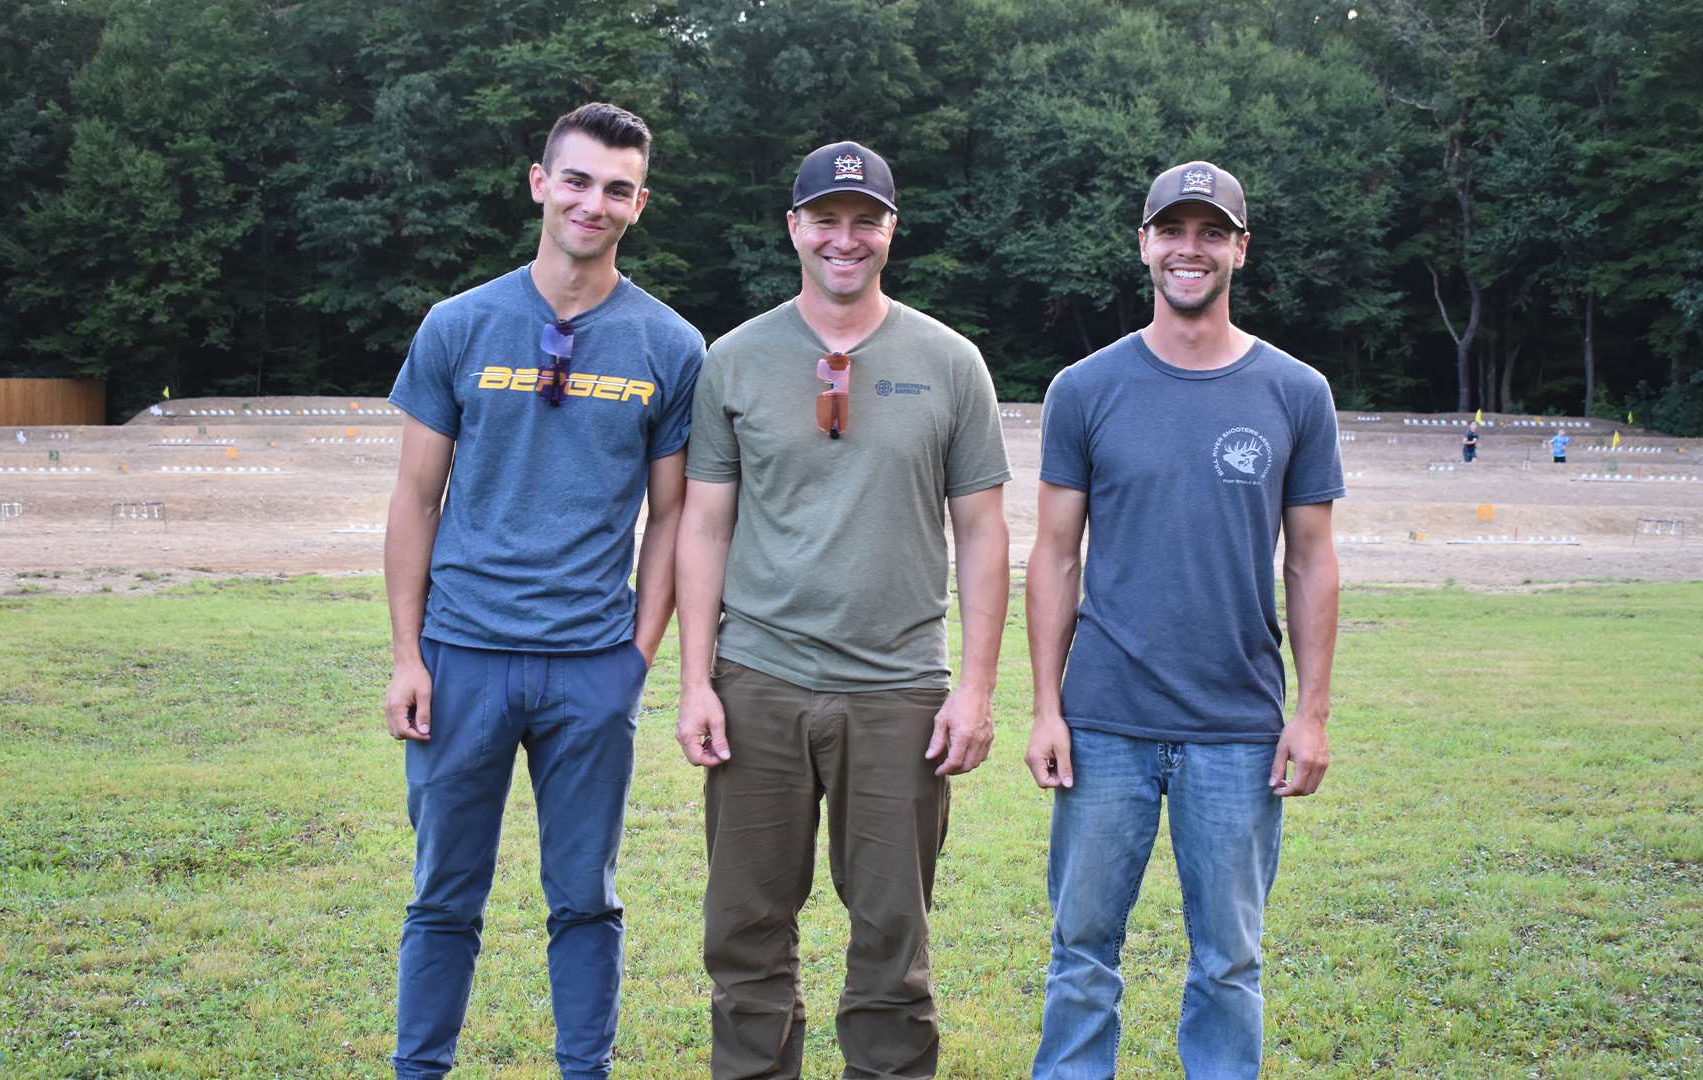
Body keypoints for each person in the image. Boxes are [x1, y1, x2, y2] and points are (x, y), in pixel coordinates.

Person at [674, 140, 1012, 1080]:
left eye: (867, 220)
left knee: (892, 944)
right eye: (827, 217)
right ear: (795, 226)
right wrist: (697, 681)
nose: (845, 238)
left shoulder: (950, 363)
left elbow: (983, 533)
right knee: (745, 934)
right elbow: (703, 527)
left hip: (899, 689)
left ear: (891, 232)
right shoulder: (734, 361)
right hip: (760, 685)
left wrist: (975, 690)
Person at [381, 102, 704, 1080]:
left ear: (639, 203)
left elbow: (674, 520)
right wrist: (406, 654)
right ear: (540, 182)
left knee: (585, 897)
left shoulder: (670, 347)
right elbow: (413, 498)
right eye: (577, 180)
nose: (593, 203)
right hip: (461, 659)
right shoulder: (461, 325)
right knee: (443, 892)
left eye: (616, 188)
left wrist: (635, 658)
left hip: (588, 669)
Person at [1023, 161, 1344, 1079]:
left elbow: (1312, 559)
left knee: (1229, 962)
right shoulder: (1085, 388)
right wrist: (1047, 706)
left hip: (1237, 729)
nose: (1189, 249)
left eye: (1211, 232)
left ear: (1240, 248)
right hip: (1105, 719)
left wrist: (1310, 712)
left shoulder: (1295, 392)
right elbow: (1053, 553)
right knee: (1082, 952)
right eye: (1173, 231)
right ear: (1144, 244)